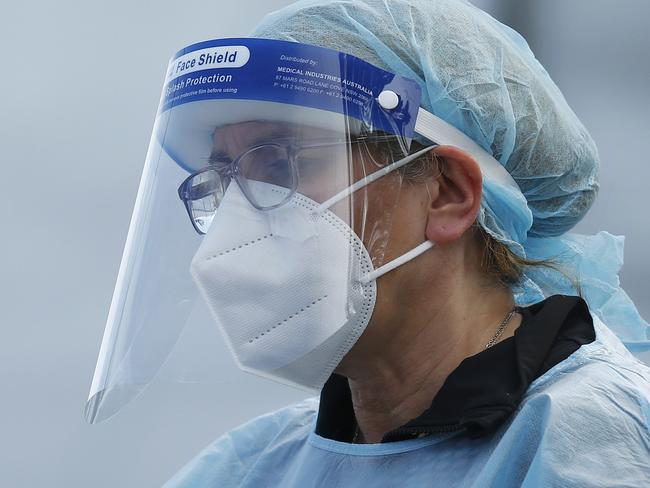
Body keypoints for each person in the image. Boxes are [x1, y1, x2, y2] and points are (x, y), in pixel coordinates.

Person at [85, 0, 650, 486]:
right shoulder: (258, 467)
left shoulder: (592, 442)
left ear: (447, 194)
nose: (238, 219)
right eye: (222, 180)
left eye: (279, 163)